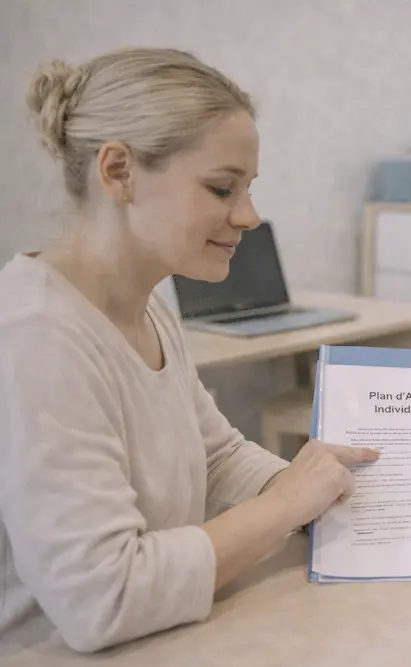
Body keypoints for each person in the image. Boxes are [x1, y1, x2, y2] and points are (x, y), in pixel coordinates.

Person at [0, 48, 380, 656]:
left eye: (247, 189)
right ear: (119, 171)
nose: (249, 215)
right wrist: (286, 504)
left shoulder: (149, 309)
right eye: (222, 188)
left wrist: (312, 491)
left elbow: (216, 456)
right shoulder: (35, 335)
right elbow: (103, 597)